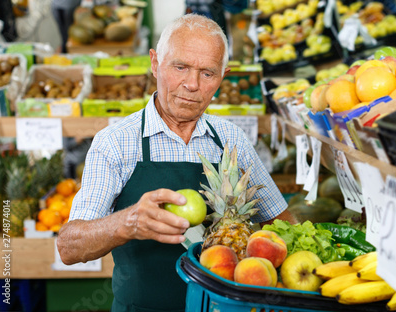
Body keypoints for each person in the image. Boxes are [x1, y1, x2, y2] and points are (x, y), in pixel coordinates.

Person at [57, 14, 295, 312]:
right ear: (155, 63)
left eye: (207, 73)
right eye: (180, 67)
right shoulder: (115, 142)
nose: (192, 84)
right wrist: (126, 223)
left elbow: (282, 222)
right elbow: (68, 247)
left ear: (224, 76)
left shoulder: (231, 139)